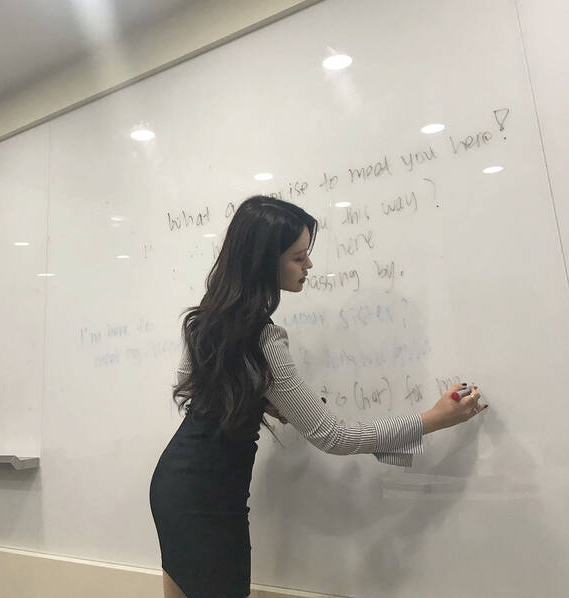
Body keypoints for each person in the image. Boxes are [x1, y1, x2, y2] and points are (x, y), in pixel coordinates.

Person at [149, 195, 486, 598]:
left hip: (175, 482)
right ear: (263, 262)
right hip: (208, 497)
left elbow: (191, 384)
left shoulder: (206, 319)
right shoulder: (263, 339)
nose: (308, 265)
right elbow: (334, 436)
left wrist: (260, 399)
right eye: (298, 257)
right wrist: (434, 418)